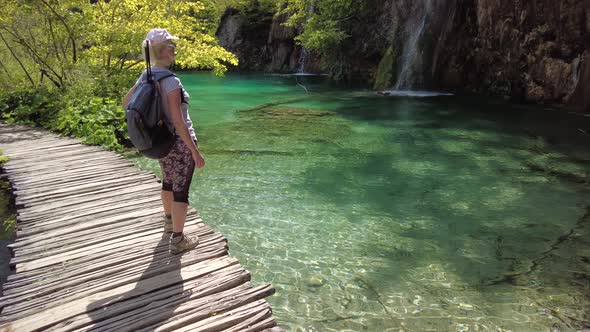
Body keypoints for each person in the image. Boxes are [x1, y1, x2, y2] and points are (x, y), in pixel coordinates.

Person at [122, 28, 205, 254]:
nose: (174, 48)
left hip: (160, 142)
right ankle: (178, 240)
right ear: (163, 50)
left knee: (167, 181)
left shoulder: (146, 75)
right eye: (171, 45)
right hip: (178, 142)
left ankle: (169, 223)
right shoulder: (171, 81)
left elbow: (126, 103)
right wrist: (195, 151)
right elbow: (178, 122)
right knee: (181, 191)